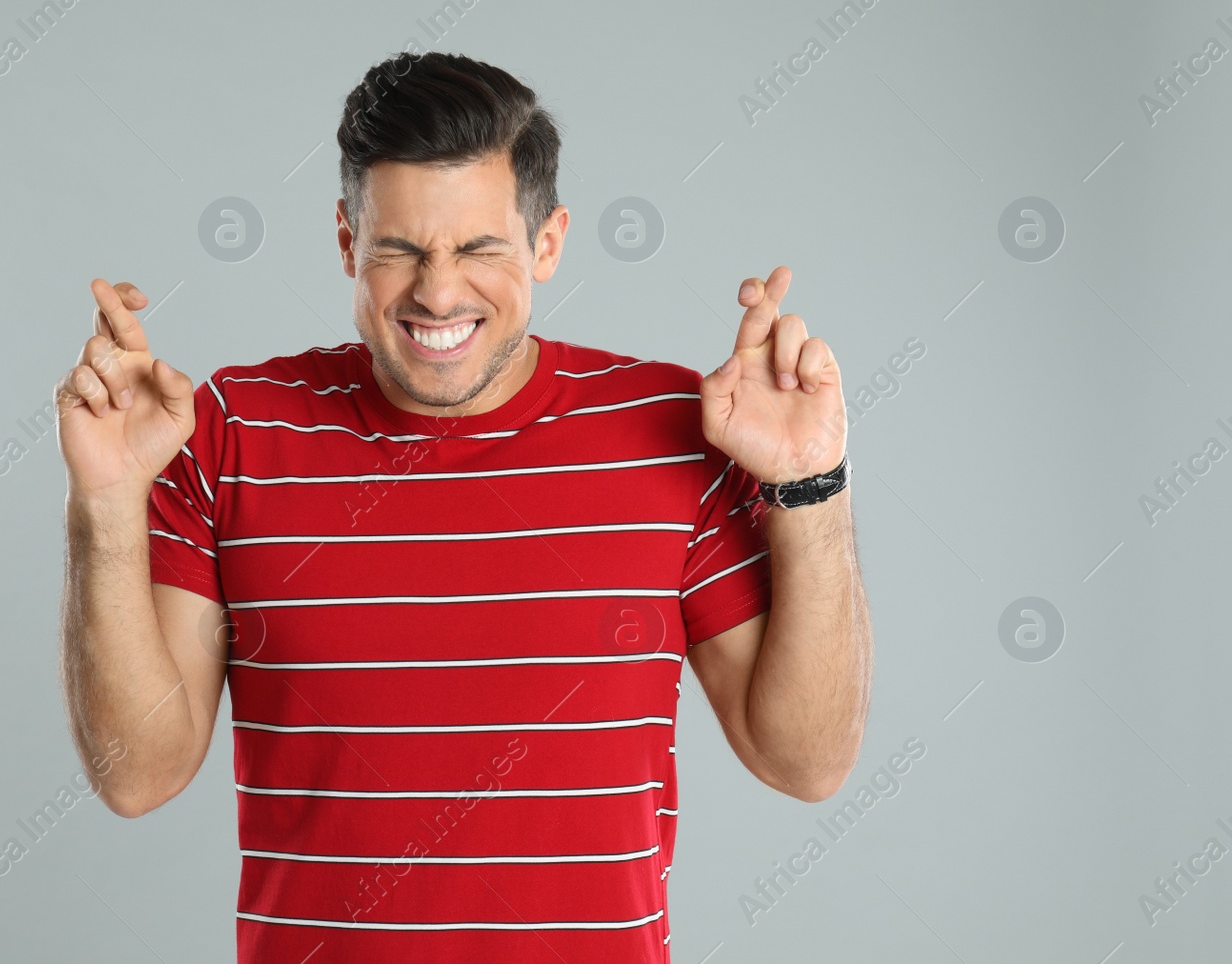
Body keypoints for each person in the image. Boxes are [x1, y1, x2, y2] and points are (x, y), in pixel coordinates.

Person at [56, 51, 870, 963]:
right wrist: (107, 501)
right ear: (344, 242)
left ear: (549, 243)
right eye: (398, 249)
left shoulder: (673, 432)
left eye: (479, 249)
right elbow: (138, 777)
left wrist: (810, 482)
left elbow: (806, 761)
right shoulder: (229, 434)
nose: (438, 292)